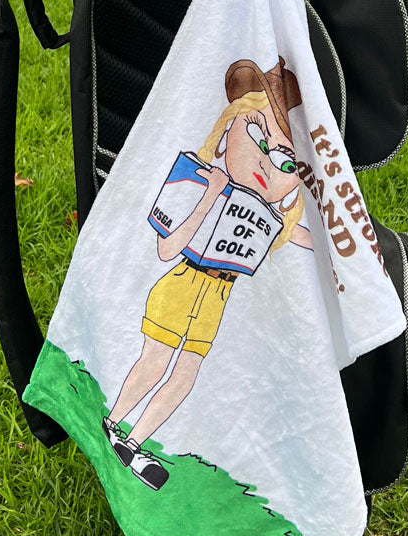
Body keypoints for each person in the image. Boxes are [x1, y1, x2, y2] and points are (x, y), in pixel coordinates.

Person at [103, 57, 313, 489]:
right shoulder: (197, 180)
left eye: (287, 162)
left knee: (185, 376)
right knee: (155, 361)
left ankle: (134, 443)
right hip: (181, 284)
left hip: (216, 300)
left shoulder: (267, 216)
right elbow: (166, 249)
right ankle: (112, 423)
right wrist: (210, 197)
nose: (267, 163)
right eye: (257, 135)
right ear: (227, 130)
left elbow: (299, 237)